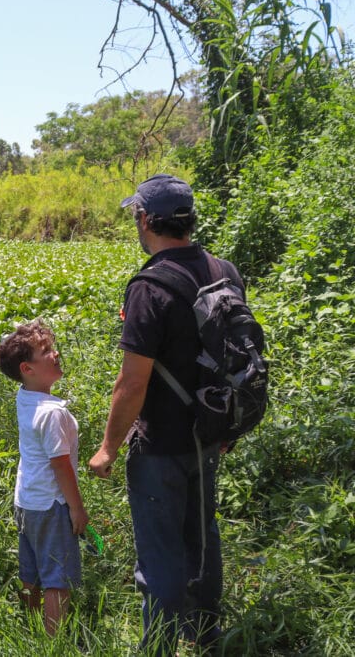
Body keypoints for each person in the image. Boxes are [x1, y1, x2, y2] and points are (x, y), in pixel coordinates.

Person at [88, 174, 243, 655]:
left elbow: (132, 383)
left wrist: (108, 447)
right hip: (211, 432)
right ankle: (206, 634)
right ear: (189, 220)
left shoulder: (149, 286)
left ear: (144, 219)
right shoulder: (225, 271)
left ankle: (156, 646)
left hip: (162, 444)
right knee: (203, 534)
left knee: (159, 553)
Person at [0, 320, 89, 636]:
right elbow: (60, 465)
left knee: (31, 572)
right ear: (27, 368)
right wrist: (77, 508)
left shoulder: (25, 398)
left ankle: (32, 629)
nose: (56, 353)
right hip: (51, 503)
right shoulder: (52, 413)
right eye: (46, 351)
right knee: (57, 580)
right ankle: (53, 643)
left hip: (26, 500)